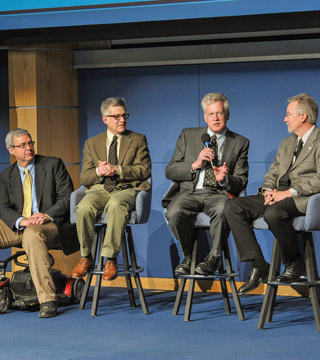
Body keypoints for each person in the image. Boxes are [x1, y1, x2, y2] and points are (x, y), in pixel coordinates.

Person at [224, 93, 320, 295]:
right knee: (234, 206)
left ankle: (294, 263)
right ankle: (259, 265)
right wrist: (268, 190)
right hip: (278, 195)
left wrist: (289, 193)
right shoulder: (287, 143)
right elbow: (274, 172)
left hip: (304, 199)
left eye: (288, 114)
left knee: (273, 213)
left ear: (303, 117)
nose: (285, 119)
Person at [162, 93, 249, 276]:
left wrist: (224, 179)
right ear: (205, 117)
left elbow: (241, 180)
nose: (215, 118)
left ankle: (214, 258)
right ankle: (188, 258)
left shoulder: (240, 142)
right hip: (190, 193)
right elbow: (170, 170)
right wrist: (195, 164)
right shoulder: (188, 135)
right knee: (174, 212)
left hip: (219, 194)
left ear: (227, 115)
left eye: (219, 113)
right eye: (211, 114)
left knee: (222, 210)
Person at [72, 97, 151, 282]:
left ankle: (110, 259)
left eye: (124, 115)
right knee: (83, 208)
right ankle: (86, 256)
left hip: (126, 187)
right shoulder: (92, 143)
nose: (122, 120)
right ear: (105, 119)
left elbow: (144, 170)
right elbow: (85, 177)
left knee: (116, 205)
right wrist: (99, 171)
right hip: (100, 188)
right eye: (116, 116)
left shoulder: (138, 139)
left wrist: (118, 169)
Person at [0, 128, 77, 318]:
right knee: (29, 230)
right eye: (23, 145)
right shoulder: (5, 176)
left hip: (50, 225)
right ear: (12, 150)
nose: (29, 148)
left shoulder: (53, 165)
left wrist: (46, 215)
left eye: (30, 143)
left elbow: (67, 198)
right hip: (21, 226)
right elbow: (3, 208)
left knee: (33, 233)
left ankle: (47, 299)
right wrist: (22, 221)